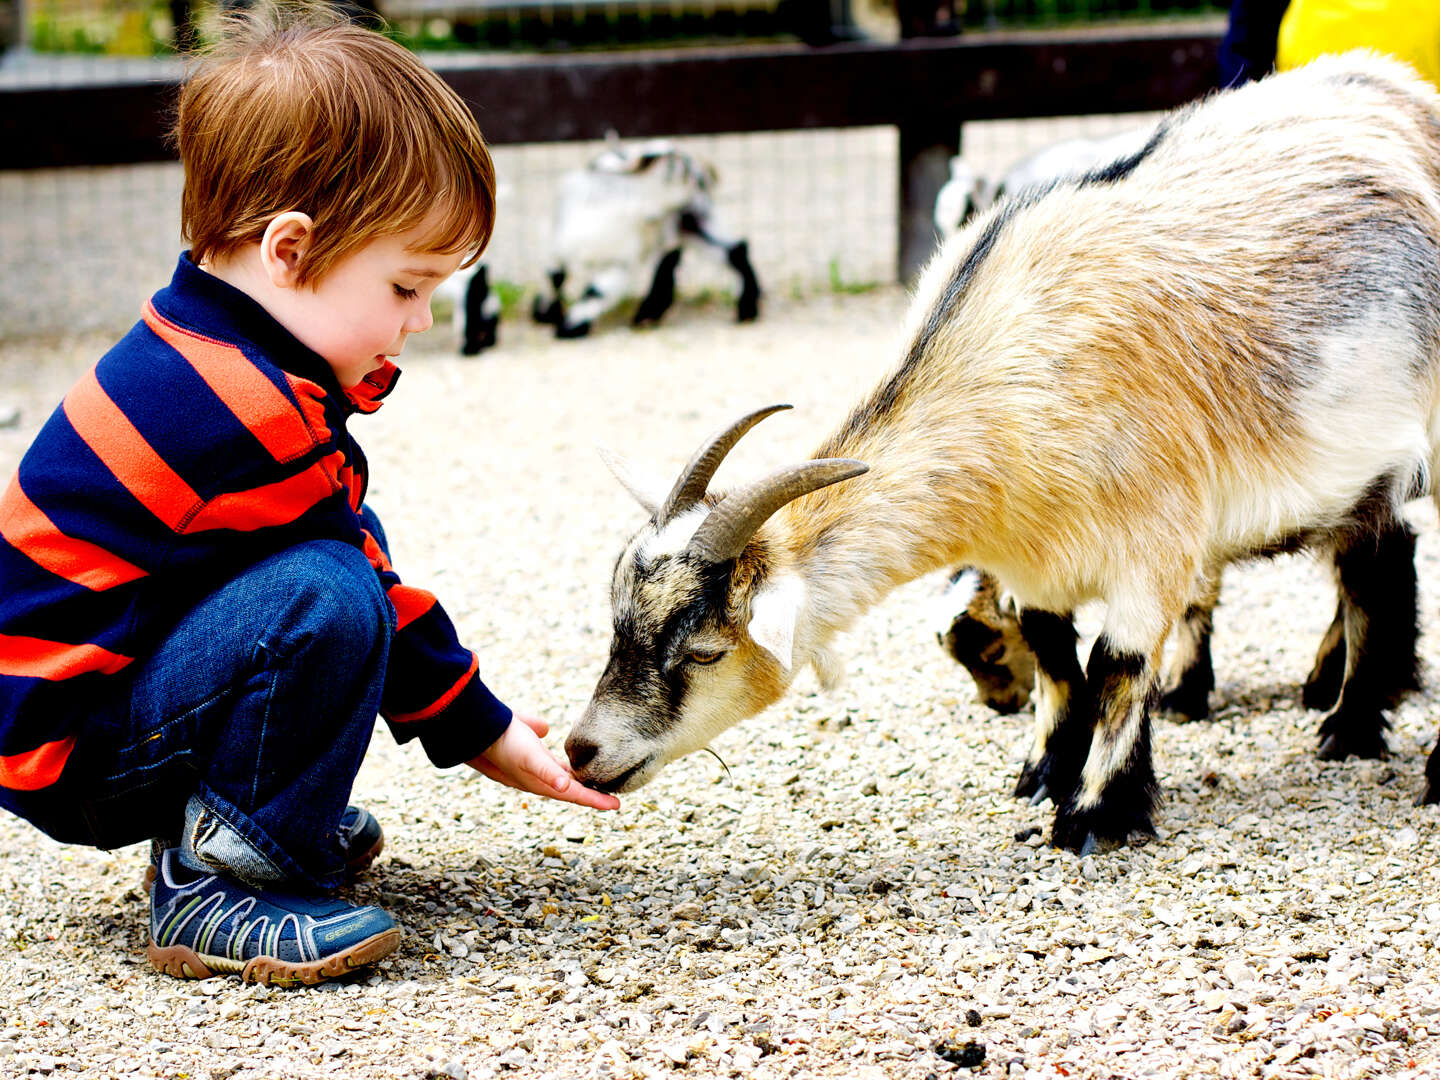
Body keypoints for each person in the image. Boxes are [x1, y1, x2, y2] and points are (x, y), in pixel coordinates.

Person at [0, 1, 618, 988]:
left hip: (77, 709)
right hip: (72, 749)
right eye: (407, 286)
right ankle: (221, 879)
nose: (419, 320)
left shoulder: (211, 351)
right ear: (288, 252)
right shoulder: (237, 408)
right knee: (328, 598)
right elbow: (358, 566)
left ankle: (249, 809)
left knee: (322, 582)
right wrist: (482, 731)